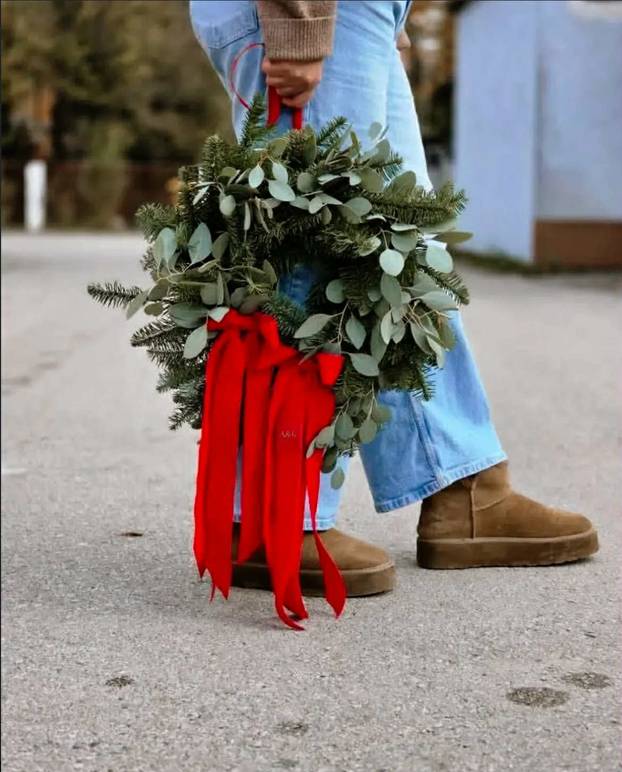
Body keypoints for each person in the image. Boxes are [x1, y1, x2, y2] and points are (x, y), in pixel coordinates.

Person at [188, 0, 598, 596]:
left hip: (361, 14)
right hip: (318, 11)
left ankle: (461, 486)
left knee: (402, 240)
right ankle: (269, 517)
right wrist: (299, 21)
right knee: (320, 238)